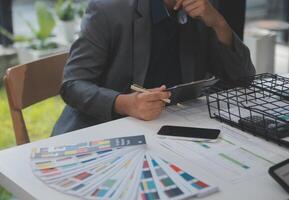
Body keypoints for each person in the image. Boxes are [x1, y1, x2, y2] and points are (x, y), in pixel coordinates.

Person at [52, 0, 255, 136]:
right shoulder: (109, 9)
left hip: (167, 131)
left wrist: (219, 23)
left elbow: (243, 78)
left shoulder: (202, 9)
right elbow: (72, 85)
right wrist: (124, 103)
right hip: (100, 131)